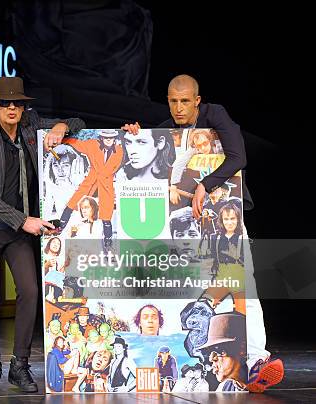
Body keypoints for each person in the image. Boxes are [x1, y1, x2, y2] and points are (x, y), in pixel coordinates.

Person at [122, 74, 283, 392]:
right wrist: (135, 134)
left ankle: (255, 361)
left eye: (185, 101)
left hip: (225, 218)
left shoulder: (215, 115)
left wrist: (204, 185)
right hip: (186, 223)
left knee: (242, 284)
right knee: (190, 286)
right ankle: (206, 357)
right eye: (173, 100)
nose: (178, 107)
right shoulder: (166, 127)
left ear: (197, 100)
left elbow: (238, 157)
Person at [0, 76, 85, 393]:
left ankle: (20, 366)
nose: (12, 107)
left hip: (18, 232)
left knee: (30, 292)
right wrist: (22, 220)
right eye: (5, 103)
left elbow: (77, 121)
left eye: (17, 103)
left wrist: (59, 129)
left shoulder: (32, 128)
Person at [57, 129, 124, 245]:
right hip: (91, 182)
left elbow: (111, 168)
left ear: (114, 139)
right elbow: (78, 144)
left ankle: (108, 241)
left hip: (106, 185)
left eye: (111, 137)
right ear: (102, 138)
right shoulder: (92, 144)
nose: (108, 139)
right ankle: (60, 228)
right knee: (72, 203)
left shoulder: (119, 151)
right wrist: (64, 140)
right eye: (106, 137)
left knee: (106, 215)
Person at [197, 313, 249, 392]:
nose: (211, 359)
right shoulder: (225, 387)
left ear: (242, 349)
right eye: (209, 352)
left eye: (218, 350)